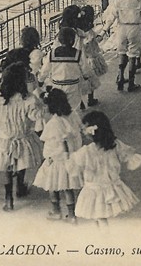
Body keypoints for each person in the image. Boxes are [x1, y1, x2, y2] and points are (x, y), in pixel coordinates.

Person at [69, 111, 141, 226]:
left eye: (84, 129)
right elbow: (130, 157)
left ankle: (105, 239)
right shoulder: (115, 145)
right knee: (98, 216)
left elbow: (73, 166)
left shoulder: (85, 151)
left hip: (94, 190)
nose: (83, 132)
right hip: (110, 187)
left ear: (92, 132)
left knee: (99, 217)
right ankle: (103, 237)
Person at [0, 63, 44, 211]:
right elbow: (36, 116)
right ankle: (20, 186)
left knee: (7, 167)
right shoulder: (29, 99)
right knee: (21, 160)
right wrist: (42, 104)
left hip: (5, 137)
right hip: (22, 136)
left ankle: (8, 198)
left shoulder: (0, 99)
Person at [32, 88, 83, 223]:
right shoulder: (73, 114)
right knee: (68, 188)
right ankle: (72, 215)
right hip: (71, 157)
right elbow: (79, 131)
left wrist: (57, 157)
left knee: (52, 185)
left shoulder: (55, 123)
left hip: (57, 159)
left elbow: (61, 142)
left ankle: (56, 211)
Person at [39, 27, 92, 111]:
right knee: (73, 109)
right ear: (72, 40)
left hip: (57, 86)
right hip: (73, 86)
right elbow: (85, 68)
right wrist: (86, 76)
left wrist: (40, 80)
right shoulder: (77, 54)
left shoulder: (52, 53)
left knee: (59, 108)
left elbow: (45, 69)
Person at [78, 6, 106, 107]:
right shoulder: (88, 32)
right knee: (91, 80)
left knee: (79, 81)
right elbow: (91, 44)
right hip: (90, 58)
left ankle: (80, 102)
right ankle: (90, 99)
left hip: (80, 59)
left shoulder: (78, 31)